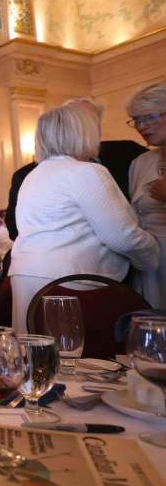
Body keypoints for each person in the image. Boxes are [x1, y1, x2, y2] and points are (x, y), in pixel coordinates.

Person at [9, 102, 159, 332]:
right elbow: (121, 236)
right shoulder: (86, 172)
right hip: (71, 282)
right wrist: (152, 257)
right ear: (83, 134)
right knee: (75, 359)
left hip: (28, 277)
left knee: (38, 356)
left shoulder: (35, 174)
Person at [4, 98, 148, 240]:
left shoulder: (126, 152)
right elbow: (14, 229)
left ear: (97, 127)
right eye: (73, 121)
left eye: (87, 121)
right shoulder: (26, 175)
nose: (80, 127)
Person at [126, 82, 166, 309]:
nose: (141, 126)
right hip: (149, 263)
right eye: (136, 120)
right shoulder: (141, 163)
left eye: (148, 118)